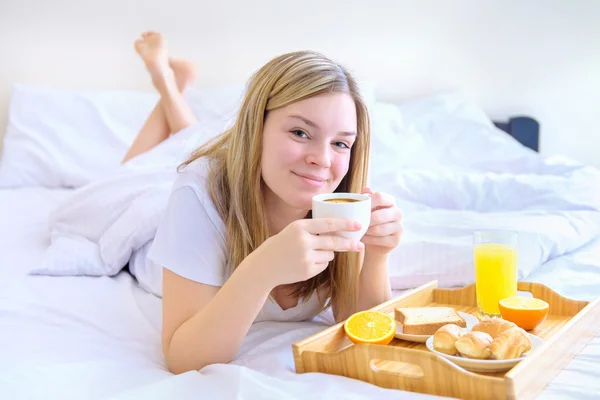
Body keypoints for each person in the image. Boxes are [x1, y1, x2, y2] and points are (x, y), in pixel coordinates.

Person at [126, 32, 403, 375]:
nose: (322, 159)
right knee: (140, 166)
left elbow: (361, 325)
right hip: (157, 213)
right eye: (300, 133)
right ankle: (167, 83)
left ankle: (173, 85)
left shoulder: (342, 199)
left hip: (229, 165)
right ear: (255, 128)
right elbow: (183, 358)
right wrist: (262, 270)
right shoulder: (197, 193)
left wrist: (377, 256)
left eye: (341, 144)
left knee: (190, 138)